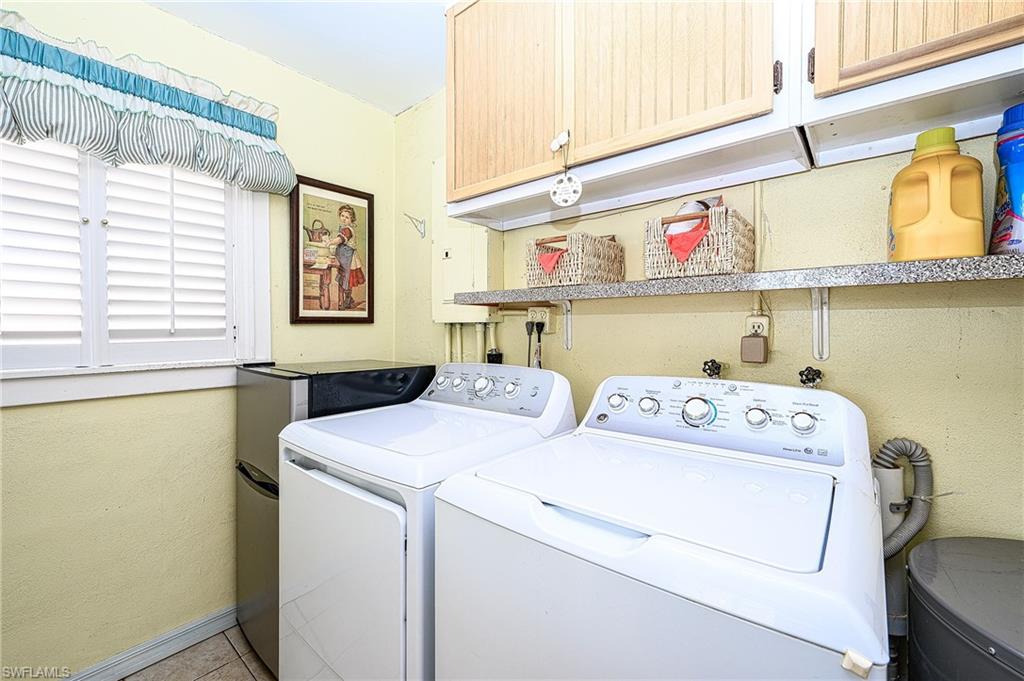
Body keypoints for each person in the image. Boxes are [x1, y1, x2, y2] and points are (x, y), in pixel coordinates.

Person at [329, 204, 364, 310]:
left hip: (349, 260)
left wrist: (330, 242)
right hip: (343, 259)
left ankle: (347, 300)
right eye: (342, 216)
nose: (344, 218)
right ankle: (348, 298)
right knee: (343, 279)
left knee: (347, 280)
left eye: (347, 217)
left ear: (351, 219)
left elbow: (340, 240)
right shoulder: (344, 228)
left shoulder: (348, 230)